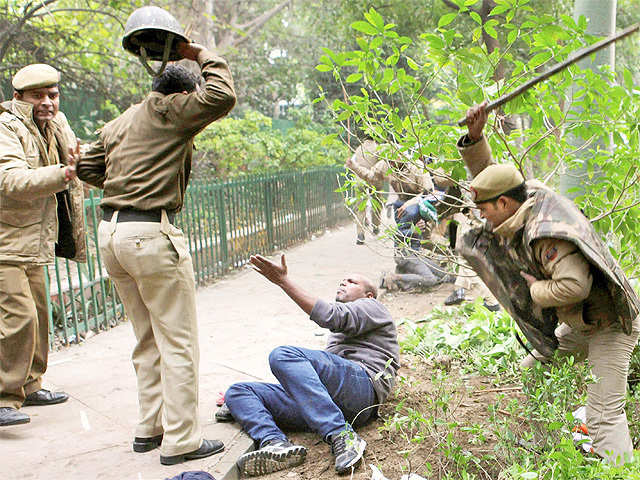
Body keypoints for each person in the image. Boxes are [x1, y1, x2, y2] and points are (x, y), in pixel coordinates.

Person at [76, 42, 236, 465]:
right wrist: (199, 52)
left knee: (146, 338)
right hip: (150, 234)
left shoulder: (122, 120)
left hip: (111, 235)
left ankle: (150, 429)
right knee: (178, 342)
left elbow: (87, 167)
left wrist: (125, 190)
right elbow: (222, 95)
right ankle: (182, 440)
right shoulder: (172, 111)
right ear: (180, 96)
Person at [457, 101, 640, 464]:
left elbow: (575, 287)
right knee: (535, 371)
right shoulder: (526, 198)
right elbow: (494, 179)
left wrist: (533, 292)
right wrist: (476, 139)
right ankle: (551, 448)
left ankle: (617, 473)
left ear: (506, 204)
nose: (481, 216)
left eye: (485, 210)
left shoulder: (545, 234)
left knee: (603, 413)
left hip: (610, 326)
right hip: (579, 324)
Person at [225, 253, 399, 477]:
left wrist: (282, 281)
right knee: (239, 391)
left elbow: (329, 316)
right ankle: (276, 444)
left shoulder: (373, 307)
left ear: (369, 295)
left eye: (352, 282)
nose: (343, 283)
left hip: (363, 388)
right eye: (342, 280)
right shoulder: (340, 332)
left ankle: (341, 435)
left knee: (283, 355)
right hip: (332, 401)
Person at [0, 64, 86, 427]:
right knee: (17, 317)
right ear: (19, 97)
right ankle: (4, 397)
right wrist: (63, 174)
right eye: (38, 96)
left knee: (38, 316)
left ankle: (31, 385)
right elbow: (10, 179)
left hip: (34, 239)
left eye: (53, 95)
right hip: (5, 240)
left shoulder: (57, 123)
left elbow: (79, 158)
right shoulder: (5, 127)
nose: (48, 103)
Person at [345, 139, 385, 245]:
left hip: (360, 180)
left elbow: (352, 163)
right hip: (374, 179)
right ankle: (376, 226)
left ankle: (360, 234)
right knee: (376, 203)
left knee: (360, 208)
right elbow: (382, 163)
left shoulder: (359, 149)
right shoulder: (377, 148)